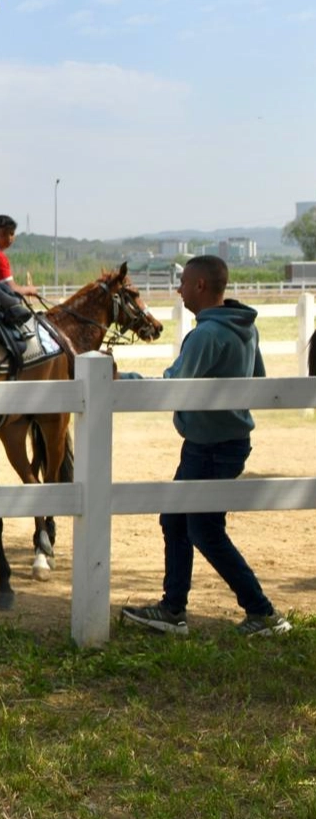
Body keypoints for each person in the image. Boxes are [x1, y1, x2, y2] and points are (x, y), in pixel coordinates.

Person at [119, 255, 291, 637]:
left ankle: (261, 612)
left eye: (183, 283)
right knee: (178, 520)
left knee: (203, 529)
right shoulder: (246, 328)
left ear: (199, 286)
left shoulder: (206, 335)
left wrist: (120, 379)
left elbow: (172, 387)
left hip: (210, 447)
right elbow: (258, 380)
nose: (178, 289)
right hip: (225, 442)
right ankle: (173, 609)